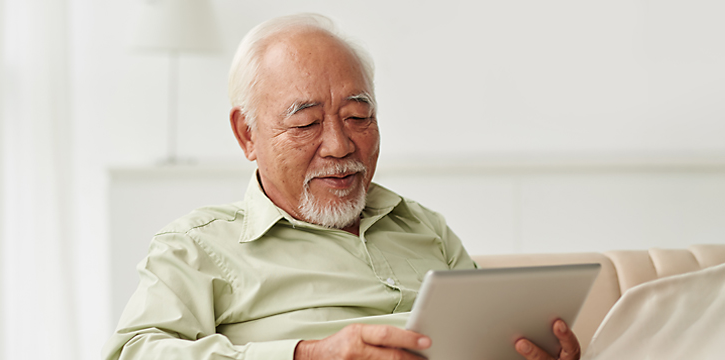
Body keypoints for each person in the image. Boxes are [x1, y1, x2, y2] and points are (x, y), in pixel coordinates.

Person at [103, 13, 580, 360]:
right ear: (247, 134)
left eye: (358, 117)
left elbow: (484, 336)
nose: (338, 144)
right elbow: (136, 352)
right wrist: (308, 355)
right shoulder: (196, 246)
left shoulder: (423, 226)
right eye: (306, 123)